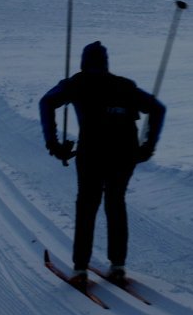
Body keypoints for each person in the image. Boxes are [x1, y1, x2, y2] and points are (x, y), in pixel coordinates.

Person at [39, 41, 165, 286]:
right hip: (124, 153)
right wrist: (147, 147)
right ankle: (117, 267)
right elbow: (157, 109)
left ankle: (80, 270)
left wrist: (53, 143)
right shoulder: (124, 86)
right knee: (115, 203)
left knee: (87, 205)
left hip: (93, 153)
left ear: (84, 62)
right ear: (106, 63)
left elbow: (47, 103)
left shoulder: (77, 83)